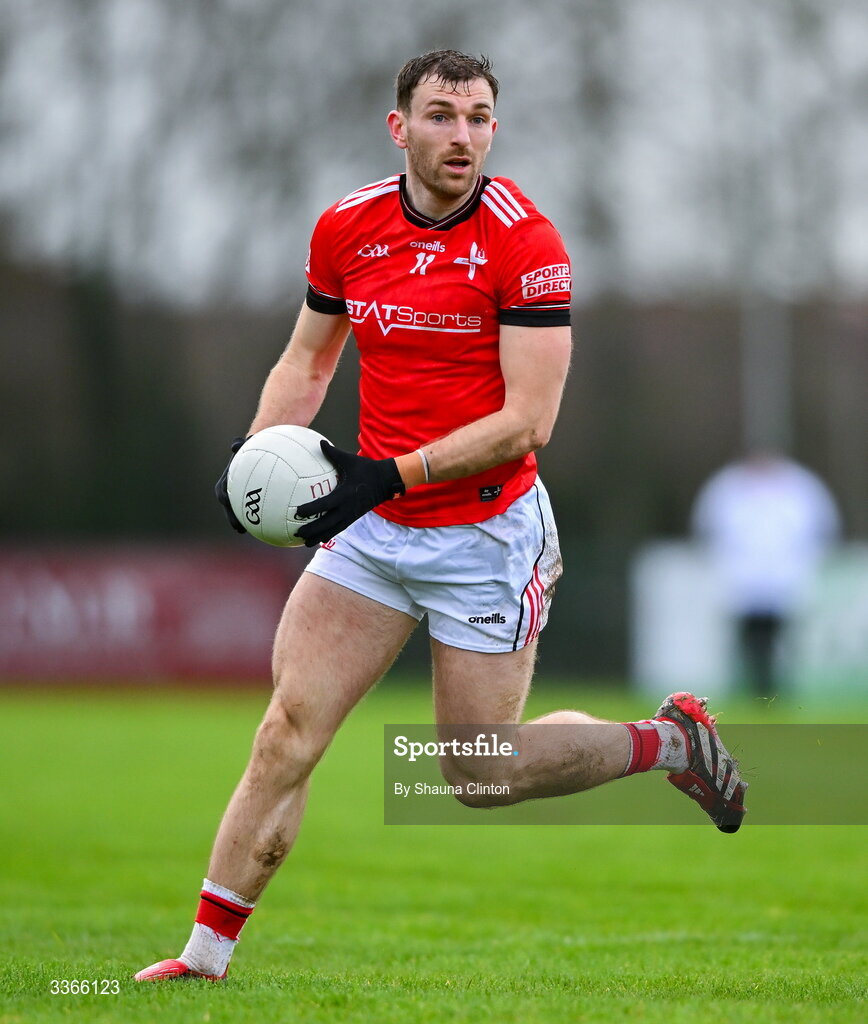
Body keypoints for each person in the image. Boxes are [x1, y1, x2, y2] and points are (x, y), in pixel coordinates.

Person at [135, 50, 747, 983]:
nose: (462, 135)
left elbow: (526, 424)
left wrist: (385, 474)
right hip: (374, 532)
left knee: (477, 775)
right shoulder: (347, 225)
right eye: (441, 115)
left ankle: (670, 742)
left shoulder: (524, 243)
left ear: (493, 128)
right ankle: (203, 960)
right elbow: (308, 361)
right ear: (400, 127)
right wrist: (253, 457)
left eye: (479, 117)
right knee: (286, 733)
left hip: (487, 535)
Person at [692, 450, 841, 695]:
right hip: (743, 579)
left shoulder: (800, 486)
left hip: (785, 579)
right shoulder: (728, 487)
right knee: (750, 638)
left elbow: (822, 527)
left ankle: (776, 688)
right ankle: (753, 687)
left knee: (781, 637)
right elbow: (708, 527)